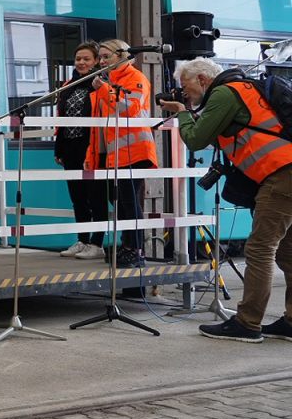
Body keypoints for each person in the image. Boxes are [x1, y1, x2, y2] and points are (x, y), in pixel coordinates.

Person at [160, 57, 292, 343]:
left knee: (259, 249)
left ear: (203, 80)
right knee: (287, 252)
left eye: (187, 87)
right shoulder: (243, 89)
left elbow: (195, 140)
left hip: (282, 174)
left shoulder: (224, 92)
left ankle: (248, 323)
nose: (186, 94)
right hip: (285, 172)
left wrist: (183, 112)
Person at [84, 39, 158, 267]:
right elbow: (100, 124)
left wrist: (104, 89)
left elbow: (130, 108)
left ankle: (134, 249)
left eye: (107, 57)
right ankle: (127, 245)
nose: (103, 61)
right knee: (119, 201)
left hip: (135, 152)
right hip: (116, 154)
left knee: (128, 201)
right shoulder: (110, 81)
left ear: (121, 56)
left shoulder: (135, 78)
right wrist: (92, 154)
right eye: (101, 57)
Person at [55, 42, 106, 260]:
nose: (81, 63)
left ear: (96, 61)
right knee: (77, 197)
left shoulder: (98, 84)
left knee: (96, 196)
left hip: (91, 146)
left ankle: (97, 243)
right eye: (78, 59)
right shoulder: (69, 84)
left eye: (86, 59)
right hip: (70, 147)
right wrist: (59, 148)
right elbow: (61, 119)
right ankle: (83, 240)